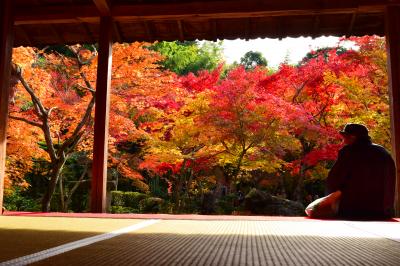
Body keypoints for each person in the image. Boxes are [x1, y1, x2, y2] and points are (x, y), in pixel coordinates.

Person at [326, 123, 396, 220]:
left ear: (353, 137)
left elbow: (334, 179)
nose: (344, 141)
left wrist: (328, 199)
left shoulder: (348, 152)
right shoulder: (383, 153)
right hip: (380, 210)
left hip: (352, 210)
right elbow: (390, 181)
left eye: (345, 137)